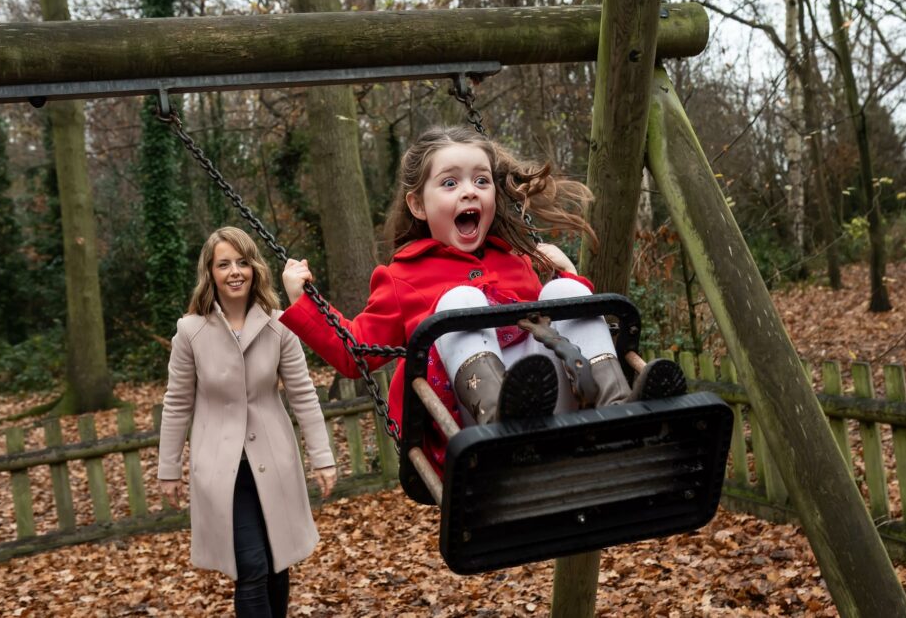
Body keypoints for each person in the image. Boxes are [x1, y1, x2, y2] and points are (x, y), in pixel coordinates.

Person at [280, 126, 684, 448]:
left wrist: (569, 275)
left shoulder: (515, 260)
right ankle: (503, 418)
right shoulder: (404, 277)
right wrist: (304, 302)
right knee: (461, 300)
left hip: (554, 403)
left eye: (481, 180)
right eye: (450, 183)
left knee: (561, 295)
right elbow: (358, 353)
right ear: (418, 205)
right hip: (474, 424)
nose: (469, 190)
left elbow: (559, 328)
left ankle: (618, 407)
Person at [157, 227, 337, 618]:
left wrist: (322, 458)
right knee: (251, 567)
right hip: (222, 472)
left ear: (255, 268)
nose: (235, 271)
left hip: (274, 463)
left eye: (242, 262)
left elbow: (303, 393)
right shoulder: (190, 332)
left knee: (277, 562)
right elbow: (176, 403)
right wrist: (168, 469)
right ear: (211, 273)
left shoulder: (280, 325)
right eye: (224, 264)